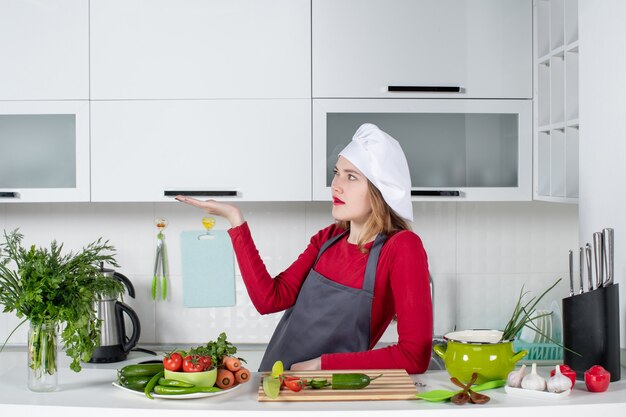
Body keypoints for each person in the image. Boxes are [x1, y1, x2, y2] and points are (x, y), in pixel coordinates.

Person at [176, 123, 432, 373]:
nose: (336, 185)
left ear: (380, 190)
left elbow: (414, 356)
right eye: (337, 172)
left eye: (351, 177)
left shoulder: (401, 247)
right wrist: (235, 220)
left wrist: (322, 365)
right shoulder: (327, 239)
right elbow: (269, 299)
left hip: (330, 392)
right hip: (278, 384)